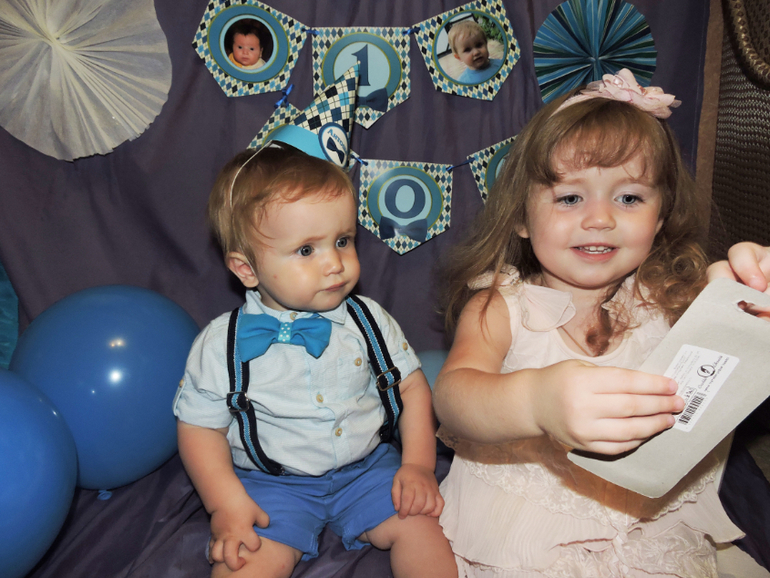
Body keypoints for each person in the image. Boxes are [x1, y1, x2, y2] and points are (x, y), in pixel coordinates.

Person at [433, 69, 770, 577]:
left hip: (650, 526)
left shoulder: (670, 297)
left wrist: (747, 296)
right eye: (570, 197)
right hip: (530, 530)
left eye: (629, 198)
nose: (600, 219)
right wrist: (535, 401)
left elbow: (727, 340)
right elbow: (454, 395)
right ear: (521, 217)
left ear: (660, 217)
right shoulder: (501, 306)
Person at [173, 143, 456, 578]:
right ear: (247, 269)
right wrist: (225, 502)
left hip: (368, 471)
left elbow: (411, 387)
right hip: (272, 484)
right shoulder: (220, 345)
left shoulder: (368, 319)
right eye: (306, 250)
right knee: (242, 561)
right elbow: (199, 427)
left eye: (342, 241)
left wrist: (417, 464)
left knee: (426, 531)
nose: (334, 264)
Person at [447, 20, 502, 84]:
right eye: (467, 50)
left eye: (479, 45)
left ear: (486, 43)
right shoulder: (463, 82)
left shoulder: (500, 64)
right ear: (458, 57)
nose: (476, 52)